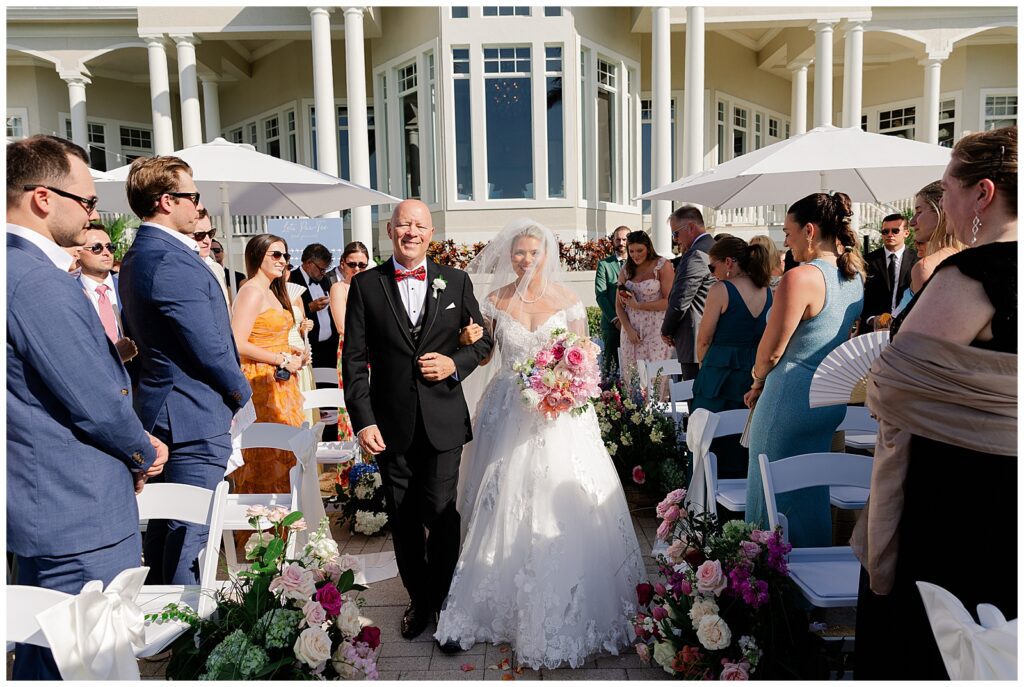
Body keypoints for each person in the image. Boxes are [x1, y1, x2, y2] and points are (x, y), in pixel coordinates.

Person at [434, 219, 645, 669]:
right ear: (509, 255)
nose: (525, 259)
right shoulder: (494, 300)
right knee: (501, 496)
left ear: (546, 254)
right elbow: (487, 353)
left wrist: (567, 386)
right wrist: (467, 338)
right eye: (518, 253)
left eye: (532, 252)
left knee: (558, 495)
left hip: (559, 414)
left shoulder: (568, 300)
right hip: (508, 405)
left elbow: (585, 356)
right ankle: (494, 596)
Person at [853, 127, 1017, 680]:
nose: (942, 201)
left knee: (936, 636)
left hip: (962, 491)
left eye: (947, 188)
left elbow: (893, 385)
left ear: (983, 194)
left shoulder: (974, 273)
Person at [7, 135, 167, 680]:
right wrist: (141, 450)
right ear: (44, 198)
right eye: (88, 201)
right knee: (91, 667)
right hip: (78, 513)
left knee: (45, 661)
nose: (93, 214)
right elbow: (97, 402)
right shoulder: (36, 282)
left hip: (46, 504)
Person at [342, 199, 493, 646]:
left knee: (443, 514)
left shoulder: (457, 281)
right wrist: (363, 421)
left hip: (444, 421)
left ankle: (445, 600)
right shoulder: (367, 285)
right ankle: (420, 601)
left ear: (431, 234)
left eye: (420, 225)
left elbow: (483, 344)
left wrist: (454, 362)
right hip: (390, 427)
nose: (411, 232)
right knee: (405, 517)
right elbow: (353, 362)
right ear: (390, 231)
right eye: (403, 224)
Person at [118, 155, 252, 586]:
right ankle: (182, 639)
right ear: (164, 201)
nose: (198, 205)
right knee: (189, 534)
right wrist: (240, 393)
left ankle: (163, 625)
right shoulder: (168, 260)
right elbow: (209, 346)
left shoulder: (145, 253)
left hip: (166, 408)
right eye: (191, 196)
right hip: (191, 415)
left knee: (166, 529)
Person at [742, 191, 865, 548]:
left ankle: (768, 585)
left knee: (767, 493)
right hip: (828, 398)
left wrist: (757, 380)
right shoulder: (854, 278)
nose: (786, 240)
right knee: (811, 492)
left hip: (788, 398)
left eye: (789, 232)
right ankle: (810, 586)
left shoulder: (801, 278)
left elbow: (772, 350)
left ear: (809, 230)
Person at [229, 234, 307, 498]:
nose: (282, 261)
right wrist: (281, 359)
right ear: (256, 256)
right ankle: (261, 534)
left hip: (282, 381)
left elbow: (273, 338)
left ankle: (288, 529)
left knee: (286, 453)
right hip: (259, 383)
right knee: (265, 457)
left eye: (285, 256)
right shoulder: (251, 291)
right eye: (275, 255)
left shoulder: (274, 291)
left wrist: (293, 353)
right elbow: (237, 342)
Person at [692, 237, 773, 413]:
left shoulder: (720, 289)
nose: (712, 273)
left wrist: (704, 369)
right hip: (754, 374)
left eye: (712, 266)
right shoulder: (767, 291)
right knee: (744, 435)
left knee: (709, 435)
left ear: (728, 262)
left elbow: (704, 339)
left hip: (719, 376)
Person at [892, 180, 966, 315]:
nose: (912, 221)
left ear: (941, 213)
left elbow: (922, 331)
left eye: (919, 212)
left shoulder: (925, 268)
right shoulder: (969, 256)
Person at [615, 230, 675, 392]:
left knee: (655, 379)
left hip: (656, 330)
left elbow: (669, 302)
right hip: (631, 331)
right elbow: (619, 306)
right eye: (631, 251)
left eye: (639, 250)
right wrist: (628, 330)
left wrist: (638, 306)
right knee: (632, 378)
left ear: (648, 247)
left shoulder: (662, 266)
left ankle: (657, 417)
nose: (635, 255)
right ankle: (633, 415)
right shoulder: (626, 270)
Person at [661, 206, 716, 380]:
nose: (676, 240)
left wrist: (666, 330)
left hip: (695, 338)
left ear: (691, 227)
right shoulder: (714, 248)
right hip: (711, 335)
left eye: (675, 234)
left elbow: (681, 300)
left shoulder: (696, 254)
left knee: (696, 401)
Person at [328, 241, 371, 441]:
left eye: (362, 265)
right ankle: (351, 467)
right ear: (342, 263)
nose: (357, 269)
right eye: (352, 264)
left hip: (375, 351)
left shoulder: (372, 287)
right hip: (351, 350)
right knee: (351, 402)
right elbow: (342, 327)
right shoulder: (339, 288)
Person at [860, 213, 916, 331]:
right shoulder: (867, 261)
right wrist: (871, 319)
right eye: (885, 232)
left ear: (906, 233)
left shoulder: (917, 261)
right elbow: (860, 295)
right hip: (872, 330)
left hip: (907, 327)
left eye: (895, 231)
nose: (890, 235)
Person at [77, 223, 124, 342]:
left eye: (110, 247)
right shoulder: (71, 292)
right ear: (78, 252)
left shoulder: (127, 288)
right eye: (96, 248)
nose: (106, 252)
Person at [284, 263, 317, 427]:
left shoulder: (296, 295)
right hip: (284, 348)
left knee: (306, 395)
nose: (286, 271)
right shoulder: (269, 295)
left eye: (289, 267)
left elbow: (301, 322)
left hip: (300, 346)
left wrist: (306, 326)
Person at [594, 226, 629, 378]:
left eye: (624, 239)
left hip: (636, 324)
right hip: (611, 325)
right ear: (613, 241)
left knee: (633, 368)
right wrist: (616, 320)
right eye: (618, 239)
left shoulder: (639, 264)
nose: (621, 242)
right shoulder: (604, 265)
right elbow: (600, 296)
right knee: (611, 370)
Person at [193, 209, 231, 309]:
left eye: (210, 233)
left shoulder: (217, 268)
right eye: (199, 235)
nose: (207, 241)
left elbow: (226, 308)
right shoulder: (178, 267)